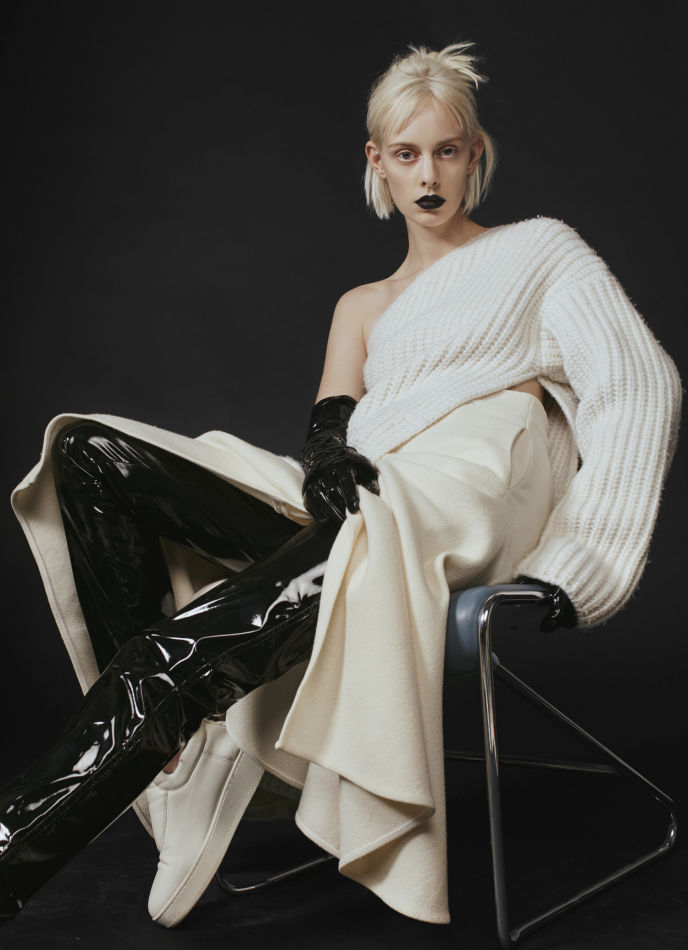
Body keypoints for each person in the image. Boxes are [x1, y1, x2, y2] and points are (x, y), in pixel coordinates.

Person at [0, 41, 681, 930]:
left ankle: (38, 832)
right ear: (377, 162)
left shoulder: (539, 252)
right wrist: (327, 457)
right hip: (359, 493)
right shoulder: (361, 305)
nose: (428, 175)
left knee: (179, 651)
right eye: (407, 154)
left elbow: (640, 380)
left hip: (448, 506)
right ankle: (180, 752)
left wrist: (584, 559)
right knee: (91, 454)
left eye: (447, 151)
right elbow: (333, 419)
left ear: (475, 154)